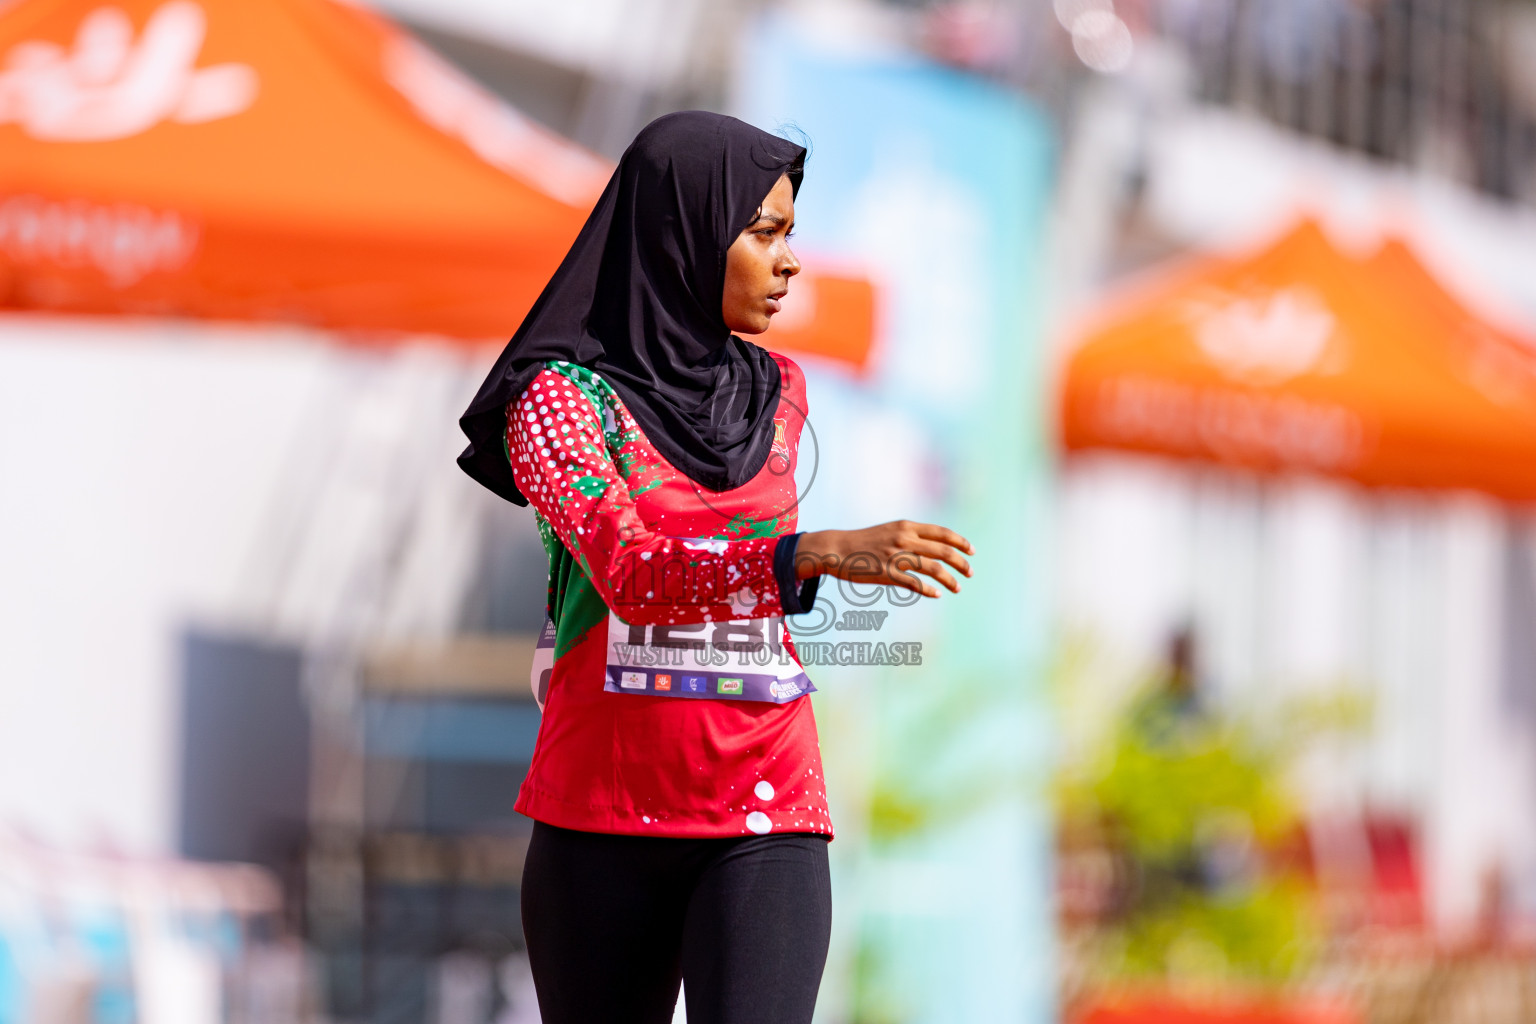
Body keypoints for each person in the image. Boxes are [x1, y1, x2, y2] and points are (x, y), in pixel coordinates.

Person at [456, 111, 974, 1024]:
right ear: (681, 231)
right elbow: (634, 572)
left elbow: (730, 582)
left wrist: (792, 566)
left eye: (789, 234)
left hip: (765, 808)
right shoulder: (556, 401)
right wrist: (812, 554)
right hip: (599, 816)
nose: (788, 261)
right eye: (762, 232)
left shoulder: (779, 393)